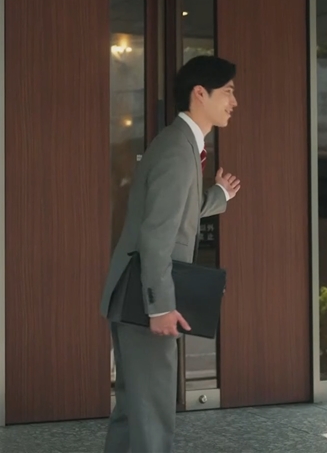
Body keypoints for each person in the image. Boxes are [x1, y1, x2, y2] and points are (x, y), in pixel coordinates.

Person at [99, 56, 242, 453]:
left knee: (135, 409)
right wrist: (160, 306)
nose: (234, 102)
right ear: (200, 93)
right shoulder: (178, 150)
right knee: (152, 413)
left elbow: (172, 212)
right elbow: (157, 234)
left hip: (132, 293)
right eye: (228, 92)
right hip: (145, 299)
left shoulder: (180, 145)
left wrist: (219, 195)